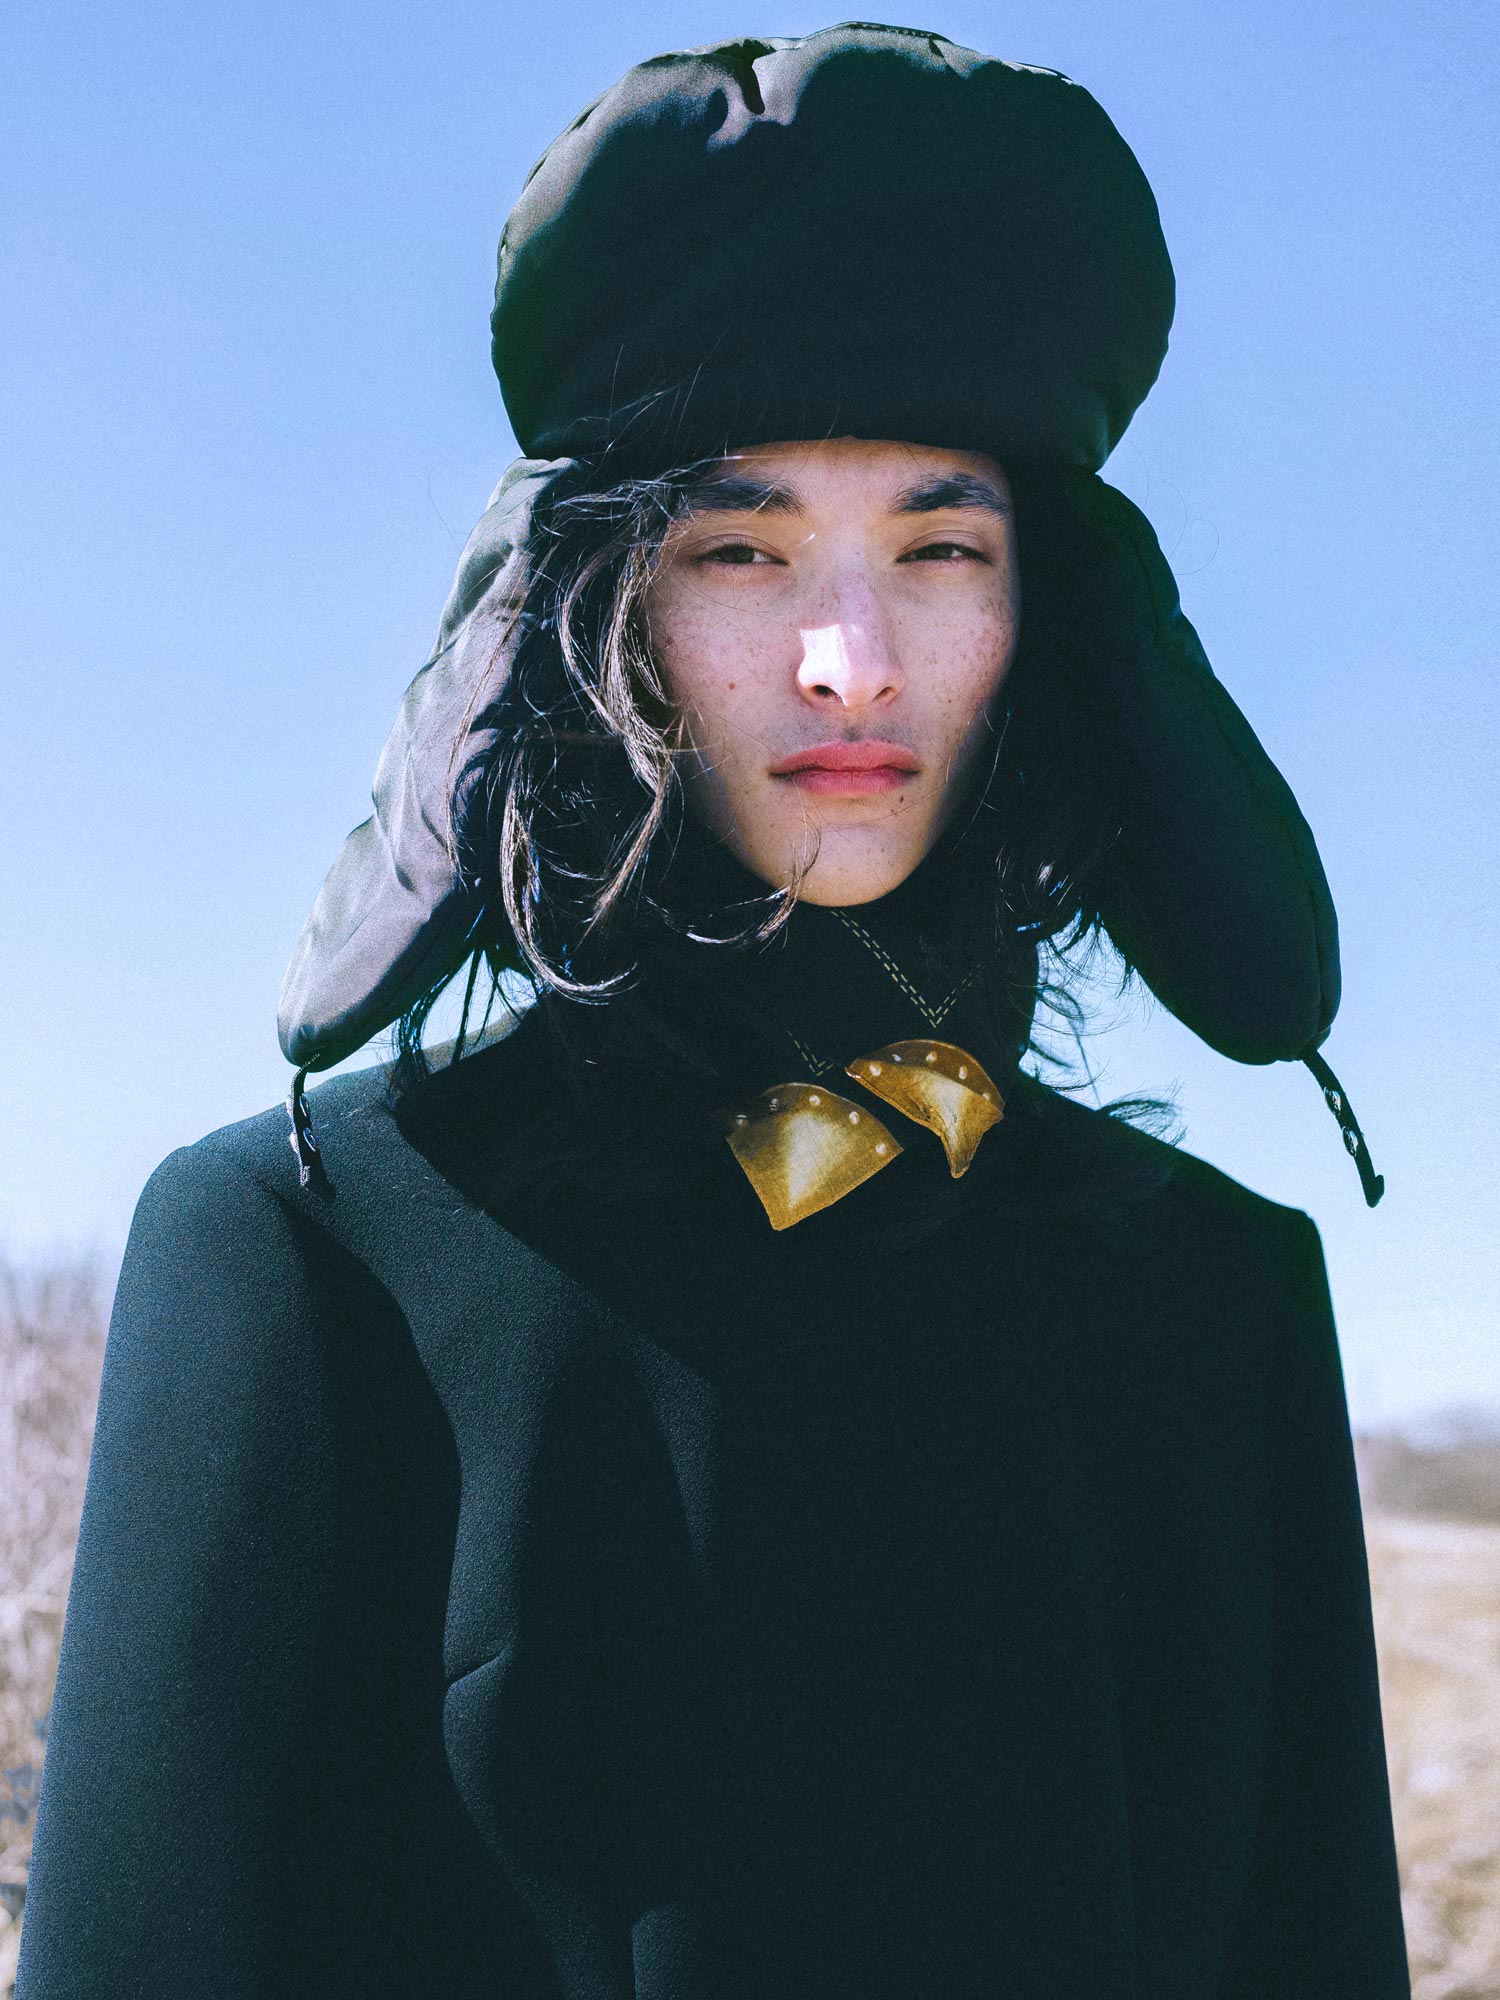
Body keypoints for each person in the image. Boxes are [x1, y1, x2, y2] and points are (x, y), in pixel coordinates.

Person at [17, 23, 1409, 1999]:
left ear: (1055, 619)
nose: (851, 659)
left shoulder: (1219, 1298)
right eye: (743, 550)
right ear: (598, 608)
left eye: (941, 546)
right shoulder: (310, 1256)